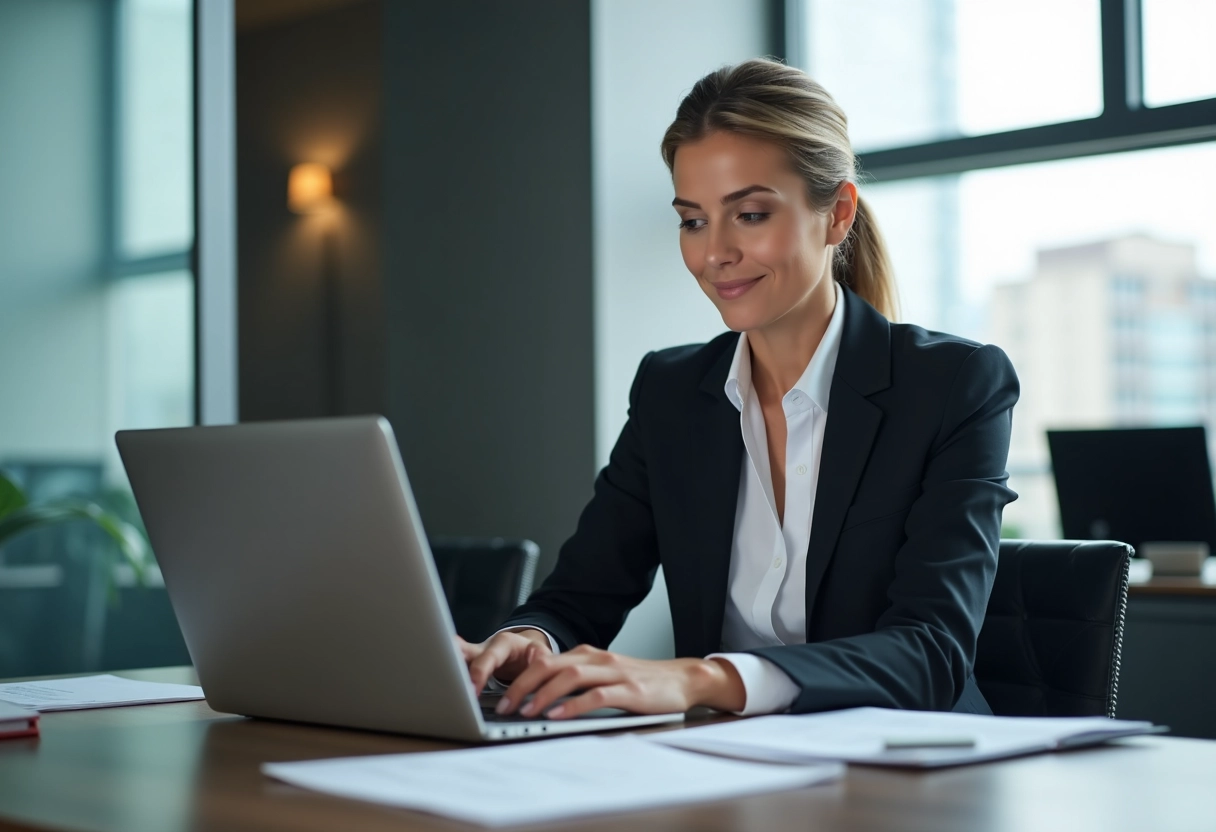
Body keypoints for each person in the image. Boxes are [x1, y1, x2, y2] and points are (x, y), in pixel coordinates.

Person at [459, 58, 1018, 720]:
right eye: (693, 220)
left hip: (912, 769)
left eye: (749, 214)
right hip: (727, 767)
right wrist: (531, 639)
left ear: (837, 214)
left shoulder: (953, 386)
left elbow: (930, 654)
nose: (713, 253)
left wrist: (703, 679)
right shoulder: (670, 392)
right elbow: (583, 592)